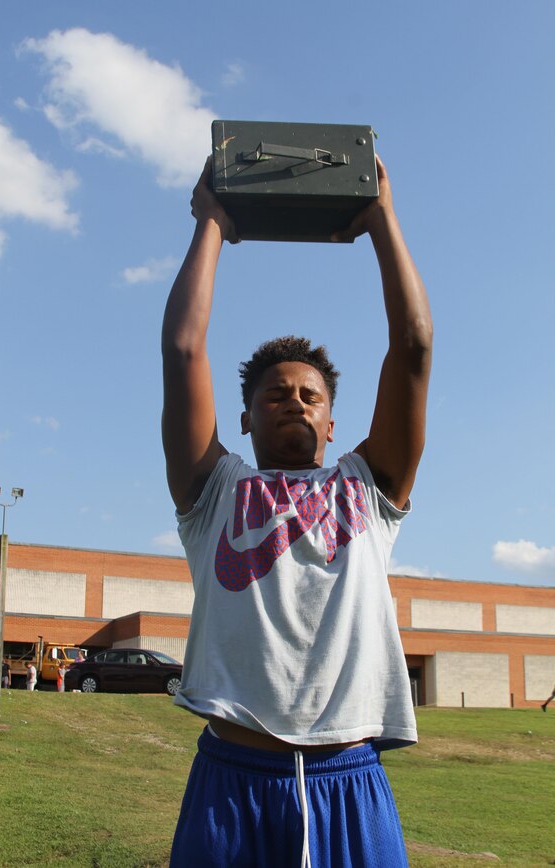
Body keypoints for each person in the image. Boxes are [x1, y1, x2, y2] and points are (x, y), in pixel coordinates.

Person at [162, 154, 432, 868]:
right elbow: (184, 348)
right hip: (231, 781)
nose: (294, 401)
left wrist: (380, 219)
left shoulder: (369, 489)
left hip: (351, 781)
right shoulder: (214, 491)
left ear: (334, 422)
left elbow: (413, 347)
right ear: (245, 420)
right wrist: (213, 223)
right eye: (275, 394)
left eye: (311, 395)